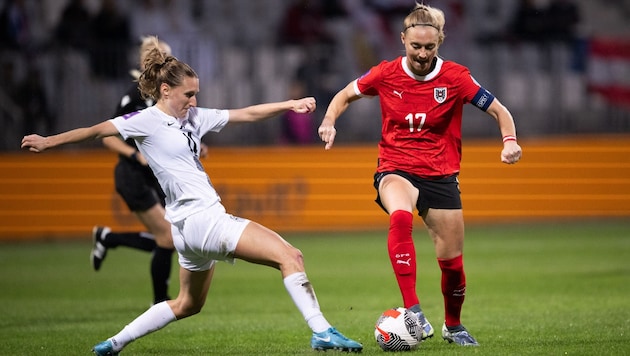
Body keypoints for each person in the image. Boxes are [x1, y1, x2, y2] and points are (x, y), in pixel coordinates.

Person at [21, 36, 362, 355]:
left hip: (185, 230)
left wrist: (290, 104)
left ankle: (114, 342)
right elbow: (96, 131)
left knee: (188, 304)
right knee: (291, 257)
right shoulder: (146, 120)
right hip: (203, 219)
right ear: (165, 90)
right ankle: (321, 330)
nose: (194, 101)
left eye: (196, 94)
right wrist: (49, 141)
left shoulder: (195, 118)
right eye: (188, 95)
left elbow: (245, 113)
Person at [317, 3, 522, 347]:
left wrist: (510, 141)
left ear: (440, 42)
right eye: (415, 46)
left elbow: (500, 111)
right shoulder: (384, 73)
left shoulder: (456, 77)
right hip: (395, 167)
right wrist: (328, 121)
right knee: (400, 217)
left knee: (453, 266)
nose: (422, 54)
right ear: (403, 40)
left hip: (441, 174)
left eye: (429, 47)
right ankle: (414, 312)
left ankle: (453, 326)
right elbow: (344, 96)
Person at [90, 37, 177, 305]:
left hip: (155, 177)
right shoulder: (133, 98)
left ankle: (109, 238)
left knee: (171, 238)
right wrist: (134, 155)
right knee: (168, 237)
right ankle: (160, 301)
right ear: (144, 63)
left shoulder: (167, 97)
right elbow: (107, 137)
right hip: (132, 175)